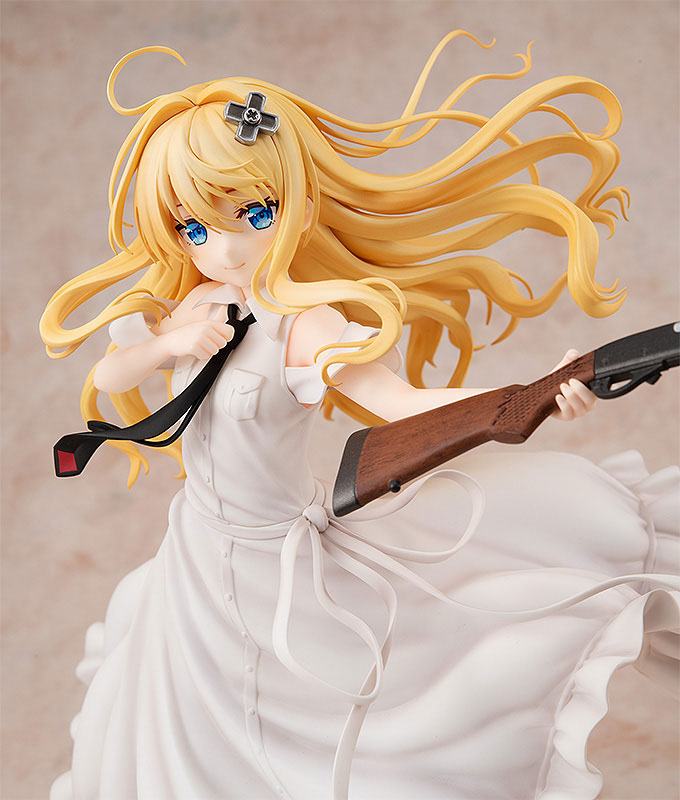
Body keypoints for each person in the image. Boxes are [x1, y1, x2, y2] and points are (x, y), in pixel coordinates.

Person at [40, 31, 679, 800]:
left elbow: (401, 405)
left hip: (278, 567)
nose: (226, 248)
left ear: (296, 205)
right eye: (195, 229)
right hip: (197, 556)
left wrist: (537, 392)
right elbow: (110, 374)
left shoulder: (303, 326)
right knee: (188, 726)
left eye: (254, 213)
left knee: (335, 726)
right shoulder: (198, 303)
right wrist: (170, 342)